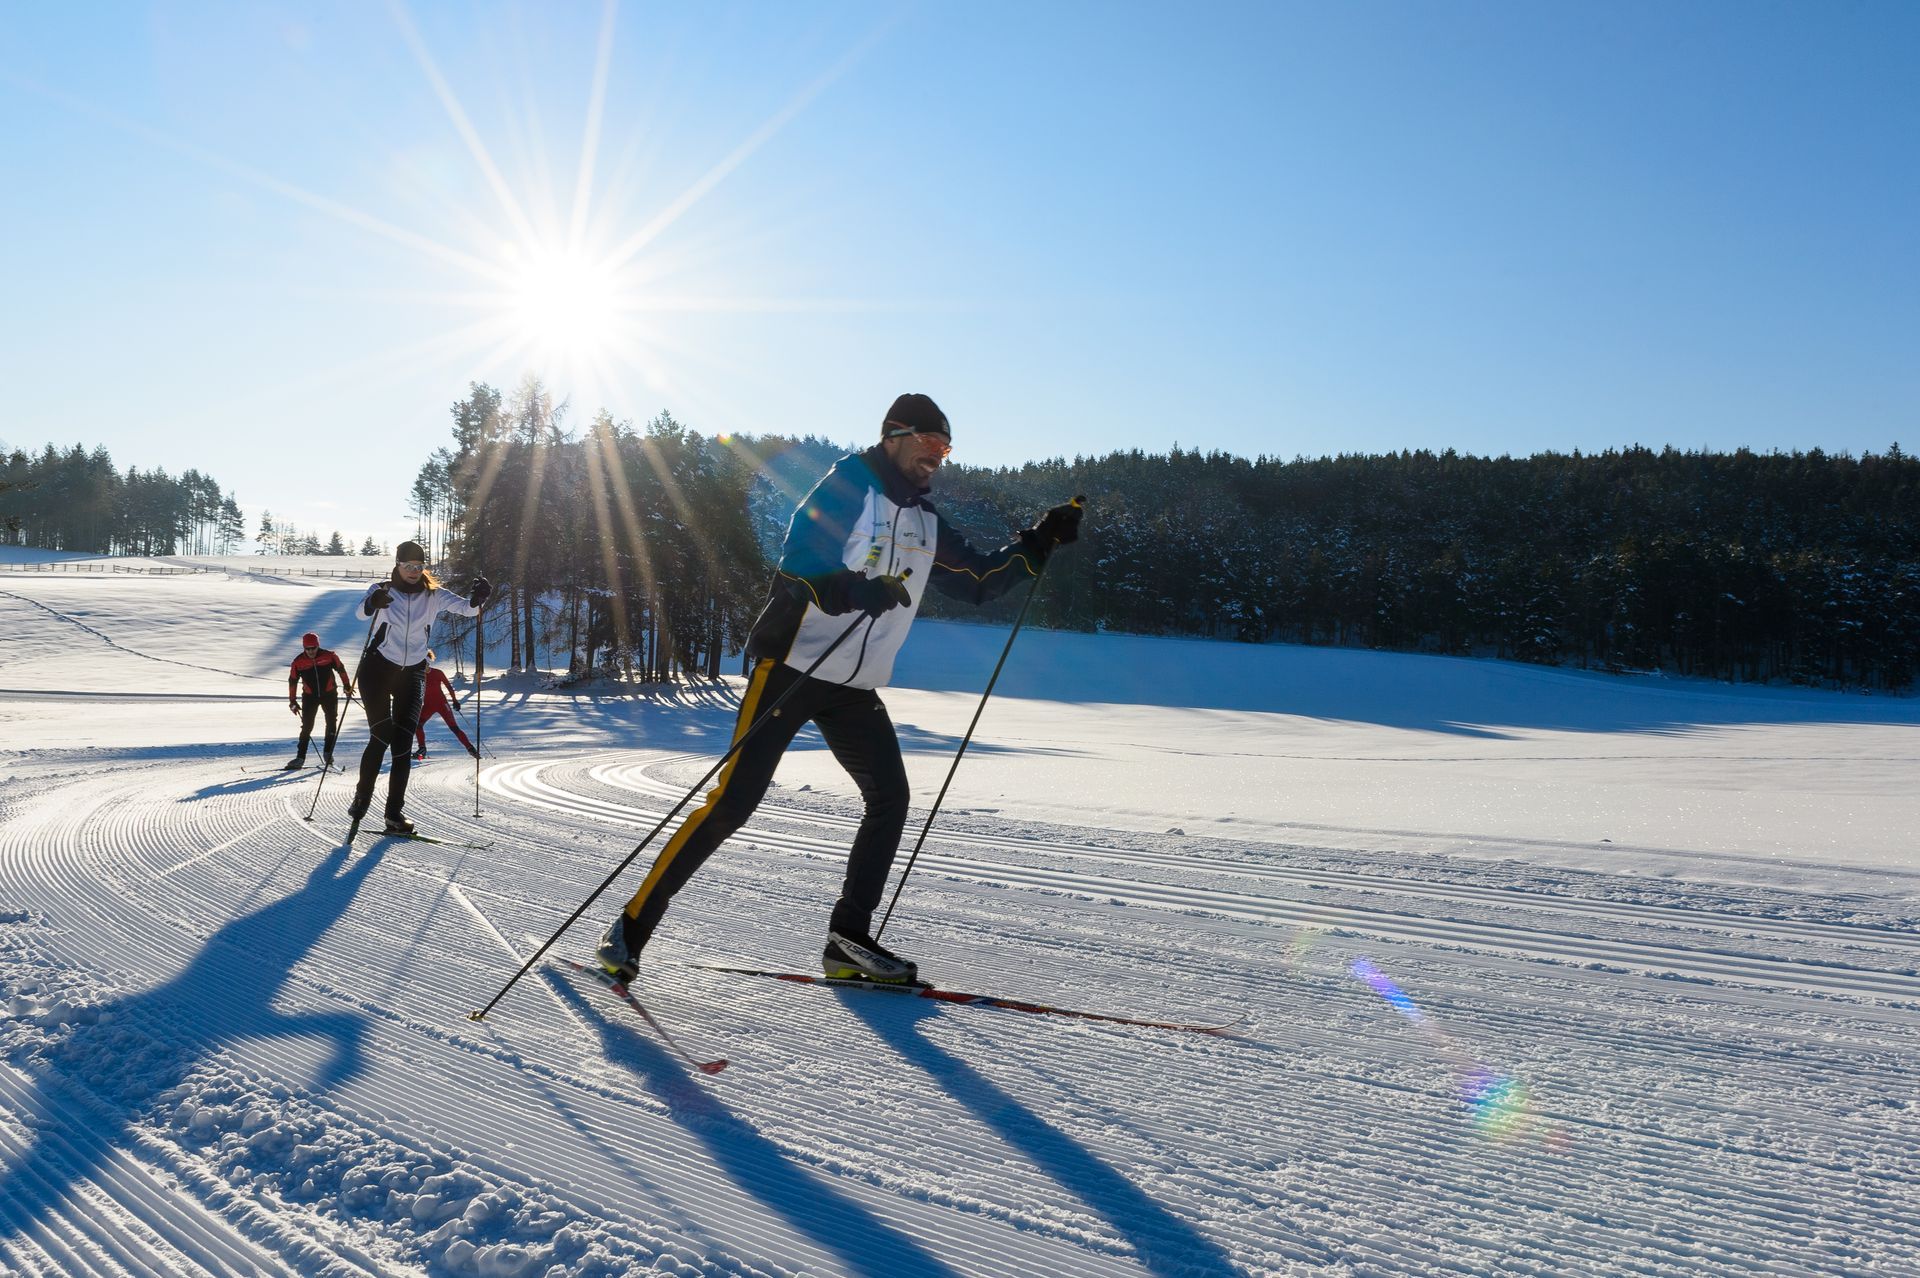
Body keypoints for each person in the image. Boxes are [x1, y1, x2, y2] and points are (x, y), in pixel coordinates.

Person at [596, 392, 1081, 985]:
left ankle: (847, 942)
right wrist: (853, 589)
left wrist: (1038, 542)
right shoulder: (850, 485)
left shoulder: (926, 521)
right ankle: (631, 927)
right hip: (793, 667)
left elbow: (979, 580)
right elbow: (800, 557)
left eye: (945, 449)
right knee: (734, 803)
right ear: (894, 436)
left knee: (890, 798)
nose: (936, 459)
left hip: (854, 686)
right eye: (929, 444)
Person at [348, 542, 491, 835]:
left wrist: (479, 598)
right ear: (397, 565)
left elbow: (466, 609)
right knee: (381, 735)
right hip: (377, 670)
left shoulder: (433, 595)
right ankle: (362, 797)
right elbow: (360, 614)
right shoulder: (382, 590)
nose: (414, 572)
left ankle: (394, 815)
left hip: (412, 673)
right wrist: (373, 601)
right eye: (408, 566)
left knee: (402, 745)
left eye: (419, 566)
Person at [285, 631, 353, 770]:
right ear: (304, 648)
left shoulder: (329, 656)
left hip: (329, 695)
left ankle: (328, 753)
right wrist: (292, 701)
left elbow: (341, 669)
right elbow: (292, 681)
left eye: (313, 648)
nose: (310, 651)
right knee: (307, 726)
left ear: (318, 646)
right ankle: (300, 758)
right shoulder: (298, 662)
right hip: (310, 697)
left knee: (331, 722)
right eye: (307, 649)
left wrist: (347, 686)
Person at [412, 649, 478, 761]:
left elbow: (449, 687)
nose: (423, 667)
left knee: (454, 728)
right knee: (418, 725)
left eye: (424, 664)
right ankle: (422, 749)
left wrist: (455, 701)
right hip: (428, 705)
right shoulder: (418, 675)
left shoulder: (438, 673)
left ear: (428, 663)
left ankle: (471, 749)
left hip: (442, 705)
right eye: (421, 664)